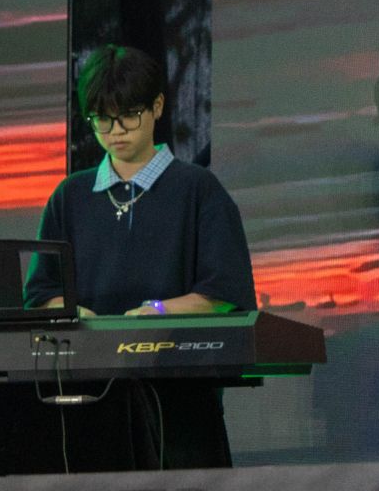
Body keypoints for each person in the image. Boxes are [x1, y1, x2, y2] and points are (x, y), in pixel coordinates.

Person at [25, 45, 255, 468]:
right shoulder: (70, 196)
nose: (116, 131)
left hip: (180, 401)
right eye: (102, 119)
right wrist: (82, 317)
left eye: (129, 115)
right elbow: (41, 294)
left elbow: (224, 292)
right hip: (90, 400)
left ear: (157, 107)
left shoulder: (198, 190)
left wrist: (159, 312)